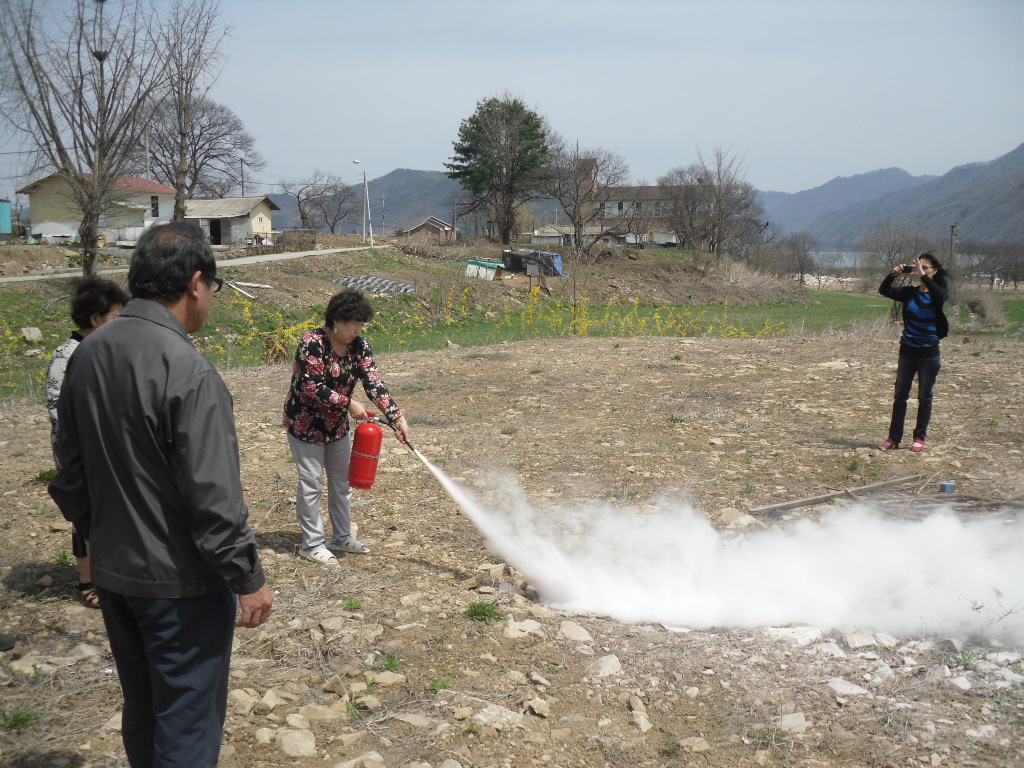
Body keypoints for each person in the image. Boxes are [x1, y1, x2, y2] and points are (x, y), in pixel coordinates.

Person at [48, 222, 273, 768]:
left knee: (145, 710)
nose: (211, 299)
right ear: (195, 283)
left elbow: (69, 475)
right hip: (181, 586)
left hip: (116, 575)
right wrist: (248, 577)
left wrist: (104, 535)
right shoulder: (188, 370)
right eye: (213, 288)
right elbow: (214, 499)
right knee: (187, 723)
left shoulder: (87, 355)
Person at [283, 289, 410, 566]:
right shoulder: (312, 343)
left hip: (336, 427)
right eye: (354, 324)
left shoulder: (359, 347)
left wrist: (396, 416)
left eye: (361, 325)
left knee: (342, 483)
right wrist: (349, 403)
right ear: (337, 320)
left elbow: (374, 383)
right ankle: (312, 544)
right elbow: (312, 386)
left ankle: (341, 537)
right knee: (312, 484)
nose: (358, 330)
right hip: (305, 424)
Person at [46, 275, 130, 609]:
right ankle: (88, 579)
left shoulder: (103, 350)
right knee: (85, 514)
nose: (121, 324)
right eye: (115, 317)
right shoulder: (68, 356)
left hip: (104, 449)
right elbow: (60, 414)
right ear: (96, 319)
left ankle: (111, 573)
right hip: (79, 453)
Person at [877, 252, 950, 453]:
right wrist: (892, 275)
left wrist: (923, 276)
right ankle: (893, 438)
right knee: (900, 396)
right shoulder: (910, 293)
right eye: (918, 267)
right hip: (907, 352)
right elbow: (884, 290)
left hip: (929, 354)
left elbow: (939, 296)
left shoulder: (938, 293)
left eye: (925, 267)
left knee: (924, 397)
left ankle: (919, 438)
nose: (920, 270)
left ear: (935, 271)